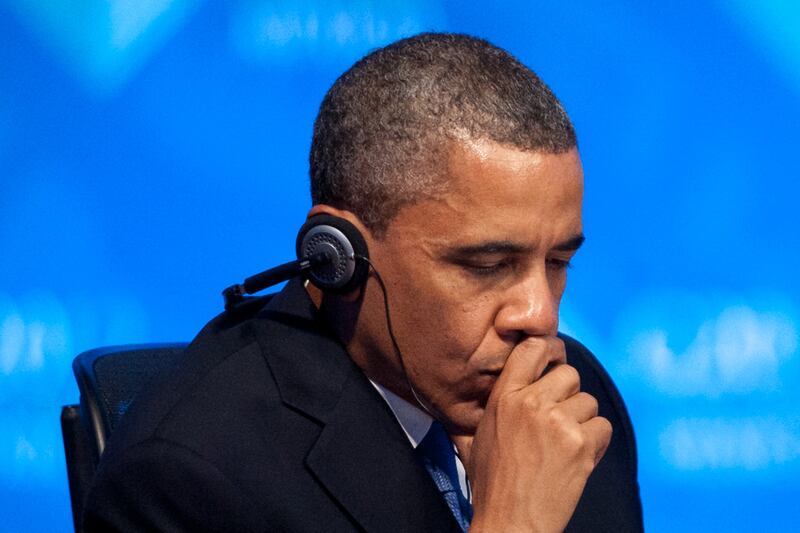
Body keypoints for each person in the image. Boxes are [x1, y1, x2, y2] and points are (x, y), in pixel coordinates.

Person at [84, 32, 643, 532]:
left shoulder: (572, 399)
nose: (540, 316)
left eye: (557, 262)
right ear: (337, 256)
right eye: (487, 265)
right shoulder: (186, 475)